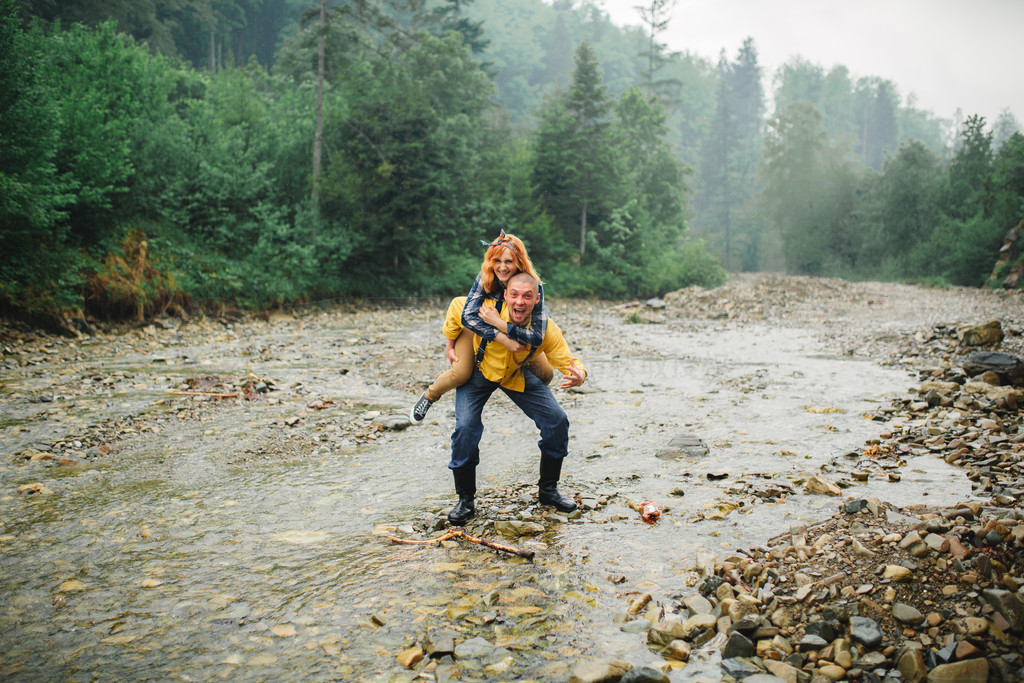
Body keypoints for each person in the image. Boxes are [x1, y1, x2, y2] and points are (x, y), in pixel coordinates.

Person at [444, 271, 587, 526]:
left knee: (557, 420)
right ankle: (465, 499)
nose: (520, 302)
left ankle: (548, 490)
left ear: (537, 299)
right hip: (479, 372)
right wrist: (450, 342)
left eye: (527, 296)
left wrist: (580, 373)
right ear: (506, 295)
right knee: (466, 427)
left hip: (514, 375)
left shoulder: (544, 328)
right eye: (515, 295)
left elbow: (566, 358)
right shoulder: (487, 309)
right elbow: (457, 306)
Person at [410, 230, 553, 424]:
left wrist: (503, 327)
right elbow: (467, 316)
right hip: (478, 328)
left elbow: (537, 336)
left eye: (509, 262)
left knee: (547, 373)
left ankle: (522, 395)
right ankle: (429, 396)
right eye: (497, 261)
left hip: (510, 329)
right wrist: (501, 338)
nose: (502, 267)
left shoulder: (531, 286)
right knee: (461, 374)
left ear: (519, 262)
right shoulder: (486, 277)